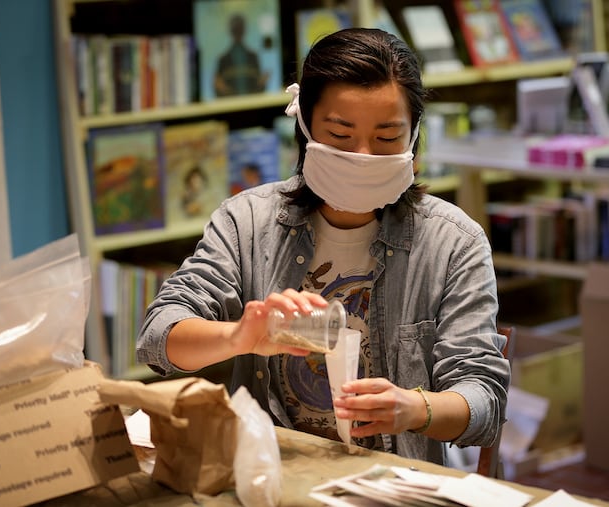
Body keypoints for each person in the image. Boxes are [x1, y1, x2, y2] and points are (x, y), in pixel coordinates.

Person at [137, 27, 510, 465]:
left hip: (389, 481)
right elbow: (158, 337)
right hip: (272, 472)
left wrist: (414, 408)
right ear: (304, 126)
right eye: (340, 135)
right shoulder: (247, 222)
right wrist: (239, 336)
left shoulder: (454, 243)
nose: (363, 156)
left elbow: (484, 400)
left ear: (413, 137)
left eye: (387, 138)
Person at [213, 13, 268, 97]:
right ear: (231, 31)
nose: (238, 32)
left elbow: (259, 89)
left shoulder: (253, 57)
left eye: (240, 29)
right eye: (236, 29)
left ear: (244, 30)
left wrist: (263, 83)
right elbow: (218, 88)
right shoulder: (223, 60)